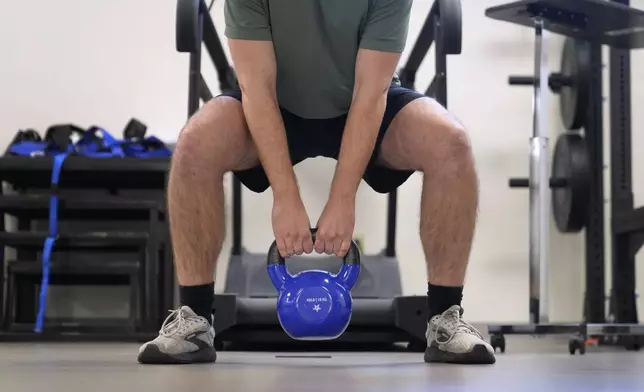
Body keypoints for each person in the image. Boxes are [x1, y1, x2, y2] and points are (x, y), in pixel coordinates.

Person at [137, 0, 495, 365]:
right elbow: (257, 89)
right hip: (272, 101)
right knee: (195, 144)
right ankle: (195, 320)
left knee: (451, 143)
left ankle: (446, 319)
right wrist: (284, 197)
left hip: (365, 100)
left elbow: (371, 92)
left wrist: (343, 198)